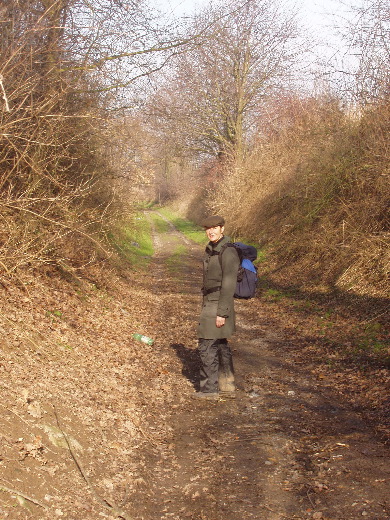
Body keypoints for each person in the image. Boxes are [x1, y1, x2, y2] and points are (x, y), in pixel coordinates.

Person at [193, 215, 240, 400]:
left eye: (215, 227)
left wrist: (222, 313)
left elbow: (229, 284)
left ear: (222, 229)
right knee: (220, 343)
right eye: (208, 228)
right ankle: (227, 385)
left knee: (206, 344)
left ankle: (209, 390)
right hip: (211, 300)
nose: (211, 231)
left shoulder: (227, 252)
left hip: (218, 302)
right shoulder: (212, 249)